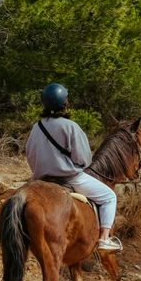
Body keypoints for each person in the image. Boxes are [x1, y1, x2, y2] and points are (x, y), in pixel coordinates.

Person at [25, 83, 122, 252]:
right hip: (70, 179)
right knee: (109, 197)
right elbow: (84, 159)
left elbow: (29, 154)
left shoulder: (36, 127)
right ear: (65, 103)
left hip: (41, 179)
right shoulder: (70, 126)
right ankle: (105, 239)